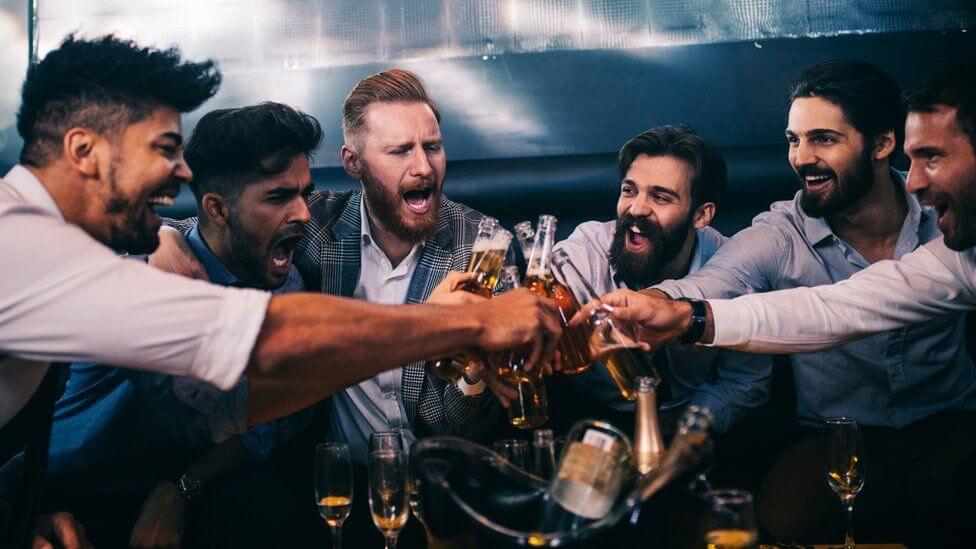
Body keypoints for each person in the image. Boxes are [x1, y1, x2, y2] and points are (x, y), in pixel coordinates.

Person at [0, 35, 561, 548]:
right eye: (163, 149)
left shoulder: (67, 247)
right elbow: (270, 340)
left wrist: (27, 512)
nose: (181, 177)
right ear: (83, 151)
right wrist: (465, 322)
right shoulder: (29, 251)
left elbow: (242, 403)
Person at [596, 59, 976, 546]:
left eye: (823, 139)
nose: (800, 157)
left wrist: (685, 316)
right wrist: (659, 303)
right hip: (838, 434)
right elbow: (724, 280)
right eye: (793, 140)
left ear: (882, 145)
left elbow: (847, 307)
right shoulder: (779, 233)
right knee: (783, 519)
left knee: (948, 497)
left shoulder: (949, 224)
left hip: (949, 423)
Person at [550, 125, 771, 435]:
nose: (637, 208)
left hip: (696, 426)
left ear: (701, 215)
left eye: (661, 197)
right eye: (629, 190)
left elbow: (745, 380)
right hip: (595, 421)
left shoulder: (734, 269)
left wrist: (687, 429)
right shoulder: (580, 258)